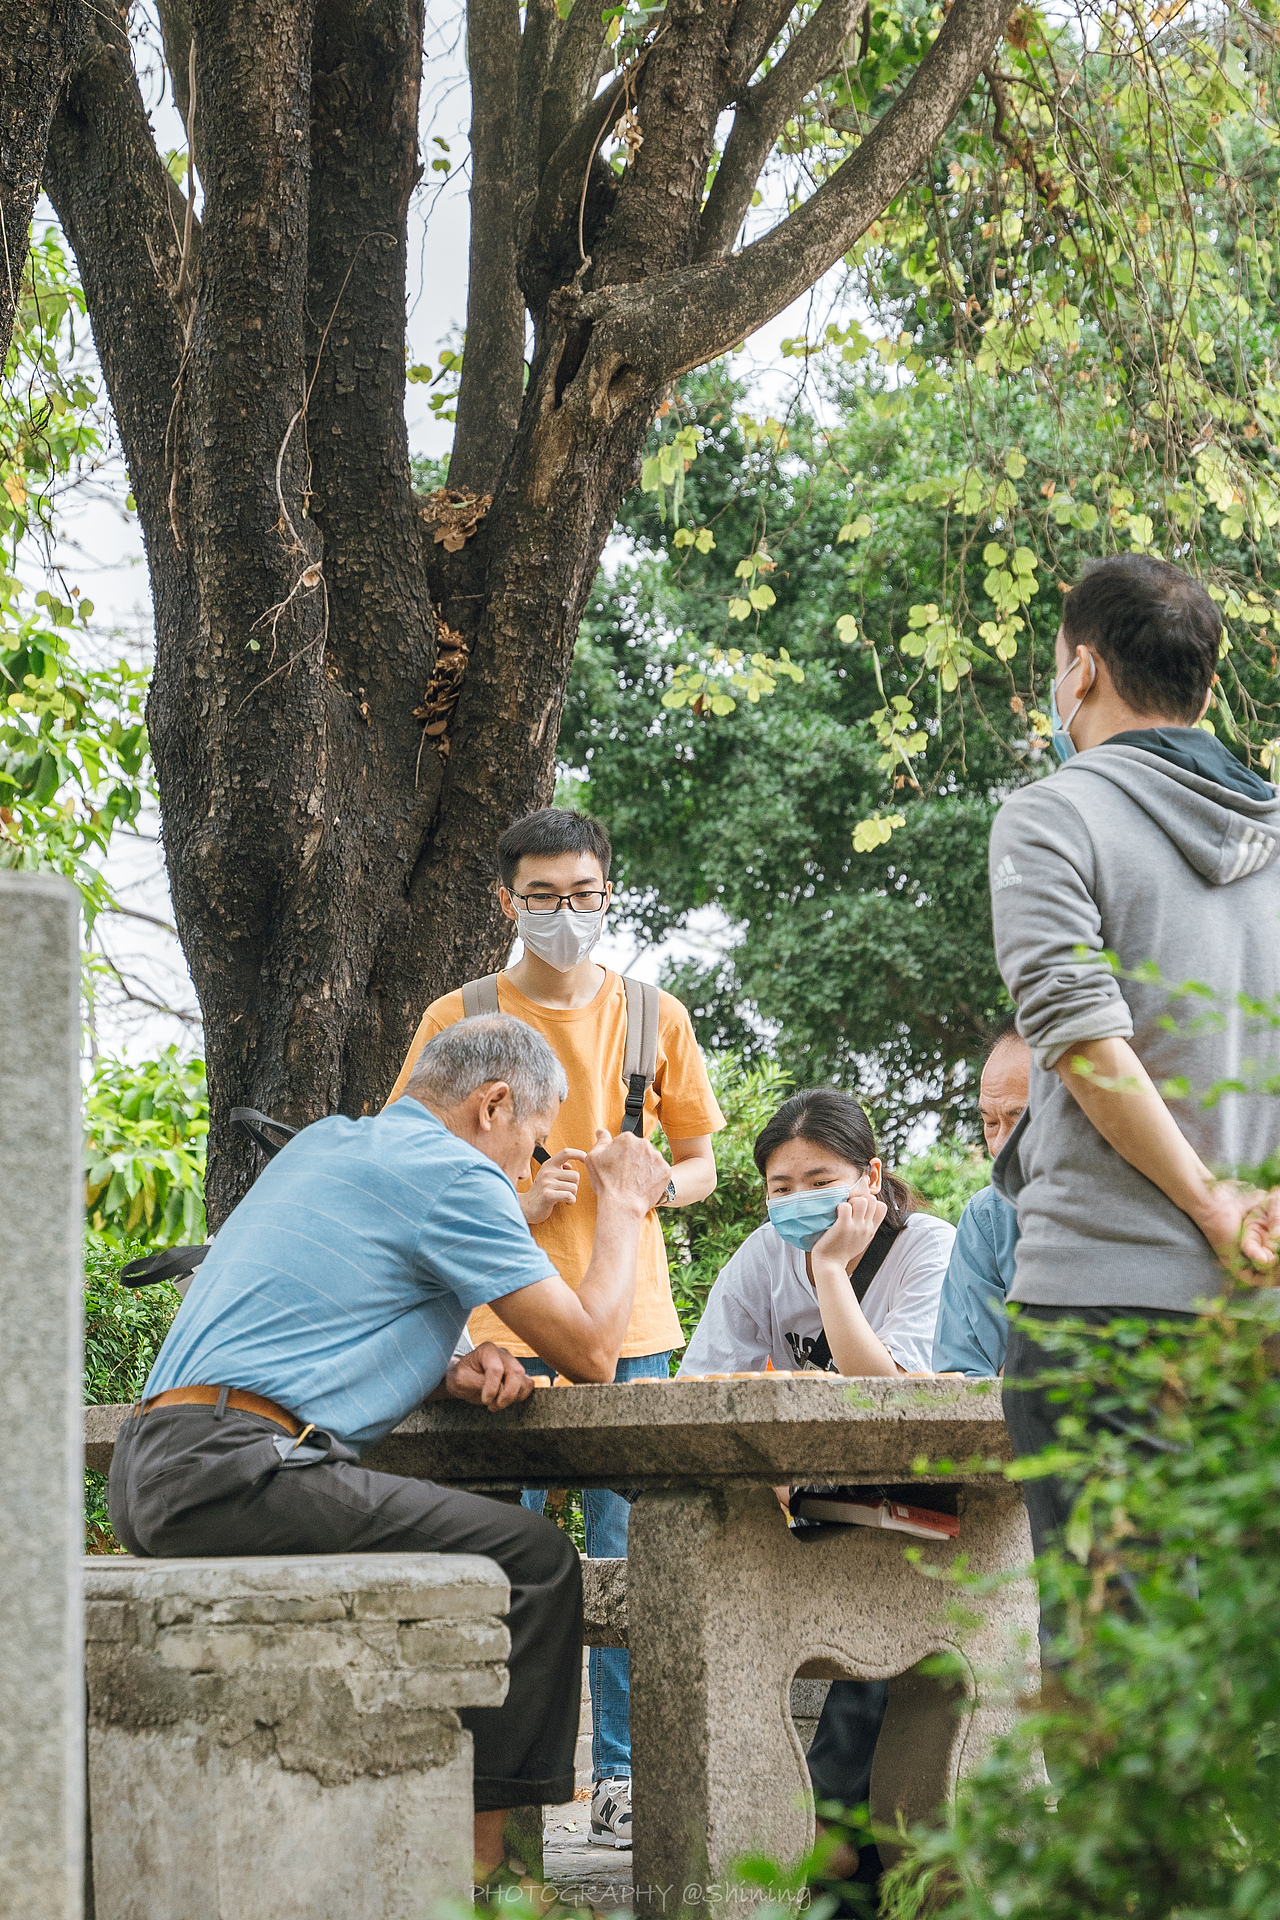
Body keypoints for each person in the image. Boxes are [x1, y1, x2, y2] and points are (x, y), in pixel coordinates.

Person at [107, 1014, 673, 1885]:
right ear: (493, 1104)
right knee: (534, 1557)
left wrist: (443, 1367)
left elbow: (325, 1307)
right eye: (529, 1142)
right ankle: (487, 1881)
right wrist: (628, 1203)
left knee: (491, 1550)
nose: (526, 1168)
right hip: (237, 1469)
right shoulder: (455, 1175)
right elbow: (595, 1353)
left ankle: (423, 1848)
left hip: (152, 1464)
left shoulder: (326, 1147)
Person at [386, 807, 725, 1848]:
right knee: (495, 1556)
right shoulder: (462, 1011)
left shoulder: (649, 1015)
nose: (564, 914)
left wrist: (645, 1186)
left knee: (638, 1555)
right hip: (501, 1321)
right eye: (541, 896)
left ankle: (621, 1779)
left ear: (607, 894)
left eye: (581, 894)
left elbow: (706, 1164)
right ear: (506, 901)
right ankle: (495, 1797)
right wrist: (513, 1201)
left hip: (630, 1322)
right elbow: (407, 1154)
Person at [989, 553, 1280, 1566]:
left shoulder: (1051, 813)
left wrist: (1206, 1200)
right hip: (1262, 1305)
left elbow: (1076, 1037)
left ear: (1080, 671)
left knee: (1110, 1666)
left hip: (1100, 1303)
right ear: (1201, 685)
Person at [678, 1089, 955, 1876]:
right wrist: (766, 1471)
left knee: (888, 1650)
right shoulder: (763, 1256)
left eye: (819, 1179)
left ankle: (838, 1852)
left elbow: (892, 1401)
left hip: (926, 1499)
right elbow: (702, 1387)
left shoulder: (927, 1247)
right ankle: (818, 1850)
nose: (798, 1200)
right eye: (779, 1187)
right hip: (817, 1503)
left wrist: (830, 1269)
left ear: (869, 1176)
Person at [931, 1020, 1030, 1377]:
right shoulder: (988, 1216)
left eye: (1018, 1119)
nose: (998, 1145)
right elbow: (962, 1376)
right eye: (990, 1123)